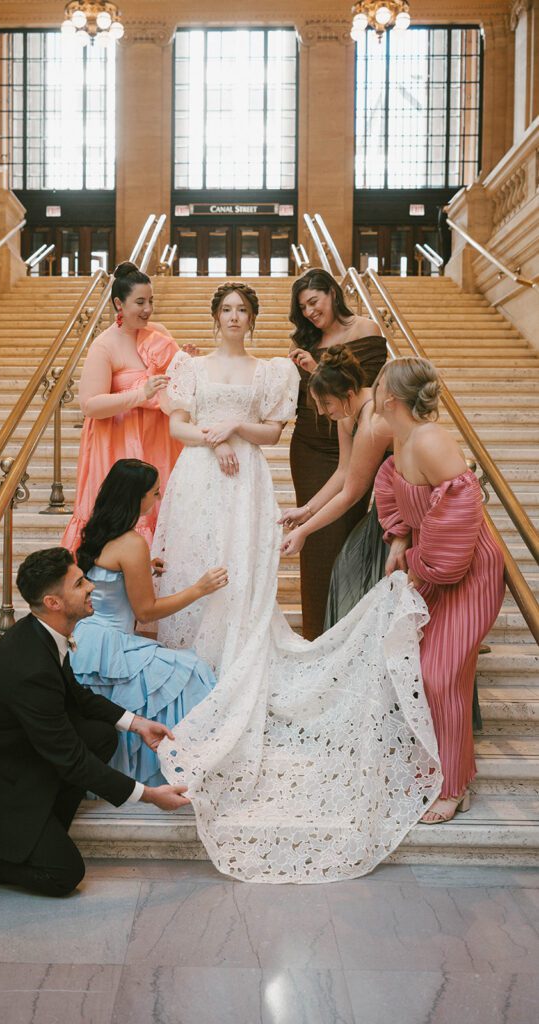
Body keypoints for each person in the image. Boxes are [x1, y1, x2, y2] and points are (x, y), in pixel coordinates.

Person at [152, 283, 442, 884]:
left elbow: (345, 480)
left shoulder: (349, 414)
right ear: (215, 318)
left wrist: (305, 526)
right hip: (205, 478)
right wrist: (301, 513)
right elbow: (340, 477)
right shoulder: (196, 367)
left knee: (306, 595)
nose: (234, 317)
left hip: (337, 508)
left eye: (242, 310)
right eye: (225, 309)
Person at [0, 547, 190, 896]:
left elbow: (74, 696)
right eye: (80, 583)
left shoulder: (42, 633)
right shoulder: (29, 664)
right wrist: (150, 795)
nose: (91, 587)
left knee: (100, 736)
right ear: (54, 603)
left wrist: (136, 722)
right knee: (63, 874)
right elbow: (70, 758)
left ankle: (33, 830)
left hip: (9, 753)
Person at [373, 357, 505, 824]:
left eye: (378, 382)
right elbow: (393, 486)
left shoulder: (429, 438)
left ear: (390, 397)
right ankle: (442, 772)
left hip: (468, 572)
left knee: (440, 675)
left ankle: (453, 785)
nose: (373, 387)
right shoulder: (401, 436)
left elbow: (461, 504)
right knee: (419, 672)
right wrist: (400, 536)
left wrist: (420, 564)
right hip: (432, 568)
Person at [70, 458, 226, 787]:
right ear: (136, 497)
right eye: (155, 493)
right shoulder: (131, 542)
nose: (158, 499)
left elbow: (109, 579)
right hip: (112, 644)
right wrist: (199, 589)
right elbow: (146, 612)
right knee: (193, 672)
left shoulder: (98, 532)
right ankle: (180, 767)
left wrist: (143, 567)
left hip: (87, 640)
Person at [287, 268, 386, 639]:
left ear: (333, 292)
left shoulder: (368, 331)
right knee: (315, 545)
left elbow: (361, 390)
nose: (310, 312)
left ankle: (345, 630)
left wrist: (318, 370)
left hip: (358, 441)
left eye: (314, 301)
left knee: (346, 536)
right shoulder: (309, 340)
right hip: (313, 446)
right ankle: (317, 632)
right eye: (303, 308)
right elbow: (313, 401)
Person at [61, 261, 184, 553]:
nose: (147, 309)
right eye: (139, 302)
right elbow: (90, 405)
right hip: (118, 443)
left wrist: (185, 363)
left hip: (159, 439)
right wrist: (139, 394)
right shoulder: (104, 345)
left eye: (150, 301)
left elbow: (176, 383)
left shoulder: (159, 332)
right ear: (119, 303)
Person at [279, 346, 392, 629]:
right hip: (385, 507)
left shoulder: (372, 423)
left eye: (326, 403)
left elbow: (352, 493)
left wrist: (304, 531)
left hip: (400, 509)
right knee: (346, 572)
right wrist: (306, 510)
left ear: (349, 394)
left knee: (351, 569)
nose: (321, 411)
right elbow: (342, 473)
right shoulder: (346, 416)